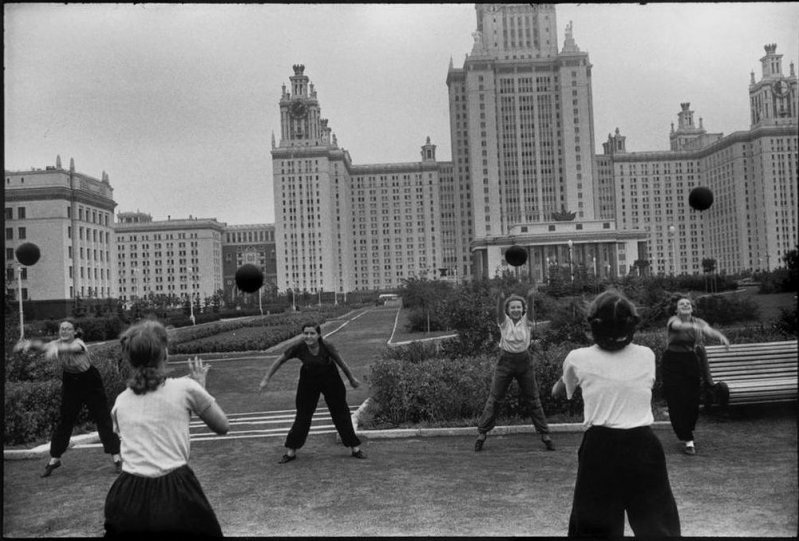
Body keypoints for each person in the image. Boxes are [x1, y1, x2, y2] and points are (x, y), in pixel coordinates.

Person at [552, 290, 681, 537]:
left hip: (600, 448)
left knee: (594, 528)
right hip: (643, 447)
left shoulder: (577, 358)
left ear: (594, 325)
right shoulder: (647, 355)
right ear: (630, 324)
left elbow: (559, 392)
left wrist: (562, 379)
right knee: (658, 527)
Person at [104, 320, 229, 537]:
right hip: (175, 490)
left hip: (127, 493)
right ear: (165, 353)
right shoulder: (186, 388)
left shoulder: (121, 401)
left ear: (131, 359)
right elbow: (222, 426)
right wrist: (201, 389)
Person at [13, 319, 121, 478]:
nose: (64, 331)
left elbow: (71, 348)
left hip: (90, 382)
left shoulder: (79, 343)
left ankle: (116, 457)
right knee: (65, 420)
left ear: (74, 332)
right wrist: (28, 344)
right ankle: (55, 458)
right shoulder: (56, 343)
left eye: (68, 329)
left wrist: (57, 348)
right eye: (61, 329)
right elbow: (42, 346)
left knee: (102, 417)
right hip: (71, 383)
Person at [259, 322, 365, 463]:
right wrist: (266, 379)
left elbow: (341, 362)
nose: (308, 336)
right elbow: (280, 360)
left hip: (330, 377)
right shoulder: (299, 347)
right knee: (303, 414)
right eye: (306, 333)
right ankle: (291, 452)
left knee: (340, 412)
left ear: (318, 335)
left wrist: (351, 379)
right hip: (308, 379)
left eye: (312, 333)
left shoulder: (327, 346)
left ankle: (355, 448)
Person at [474, 289, 554, 452]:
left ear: (523, 309)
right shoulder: (504, 322)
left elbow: (531, 311)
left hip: (524, 362)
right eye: (512, 308)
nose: (516, 310)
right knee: (495, 398)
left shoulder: (527, 321)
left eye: (519, 307)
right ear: (508, 310)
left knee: (533, 399)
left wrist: (530, 298)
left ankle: (545, 434)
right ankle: (482, 433)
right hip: (505, 362)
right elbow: (499, 312)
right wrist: (501, 299)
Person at [661, 295, 730, 455]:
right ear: (677, 309)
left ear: (692, 308)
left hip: (690, 360)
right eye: (681, 304)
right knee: (676, 398)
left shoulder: (698, 321)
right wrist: (695, 328)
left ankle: (687, 430)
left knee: (692, 398)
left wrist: (721, 336)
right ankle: (687, 439)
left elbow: (709, 330)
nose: (685, 305)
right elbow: (678, 326)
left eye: (688, 303)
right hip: (672, 361)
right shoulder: (673, 320)